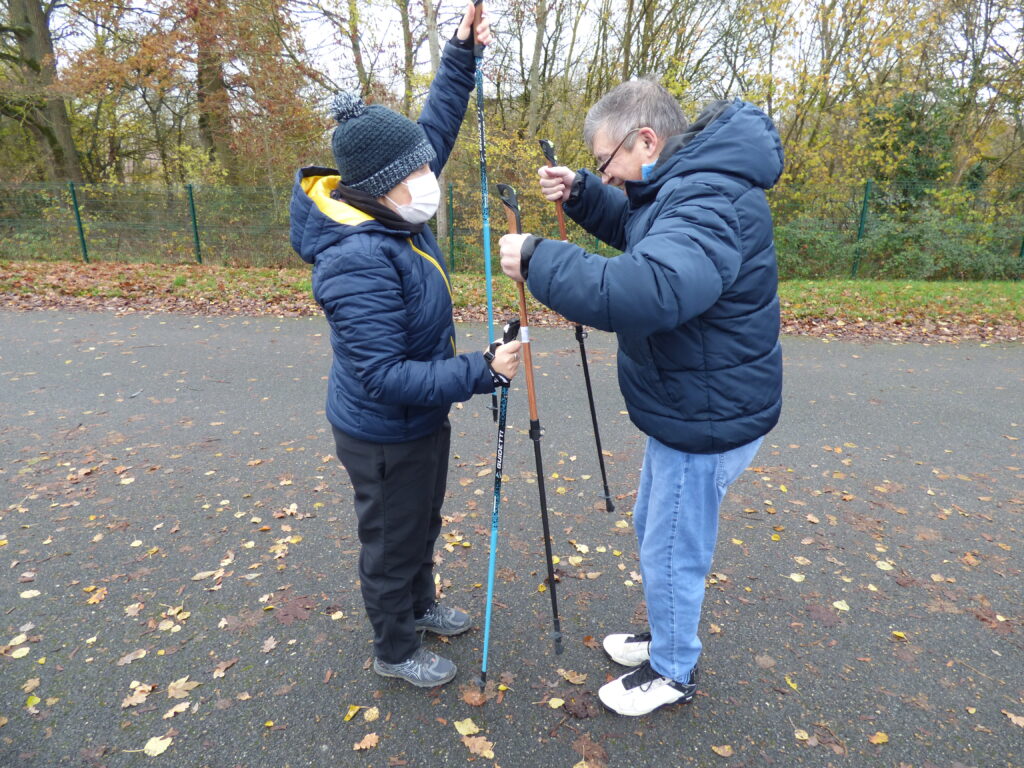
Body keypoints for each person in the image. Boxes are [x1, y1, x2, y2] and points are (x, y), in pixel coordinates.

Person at [498, 80, 784, 716]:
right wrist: (583, 192)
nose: (611, 176)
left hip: (708, 414)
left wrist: (540, 260)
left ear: (646, 140)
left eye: (606, 163)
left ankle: (673, 671)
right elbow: (640, 224)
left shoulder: (708, 199)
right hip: (690, 403)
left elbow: (651, 286)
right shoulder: (685, 181)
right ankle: (667, 634)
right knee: (654, 530)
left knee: (671, 548)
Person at [290, 3, 521, 689]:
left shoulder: (393, 208)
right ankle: (394, 648)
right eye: (415, 175)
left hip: (419, 420)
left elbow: (436, 130)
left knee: (422, 517)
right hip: (383, 427)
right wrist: (480, 372)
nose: (431, 181)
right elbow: (385, 376)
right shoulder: (357, 258)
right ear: (380, 189)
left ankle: (421, 606)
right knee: (391, 541)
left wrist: (461, 54)